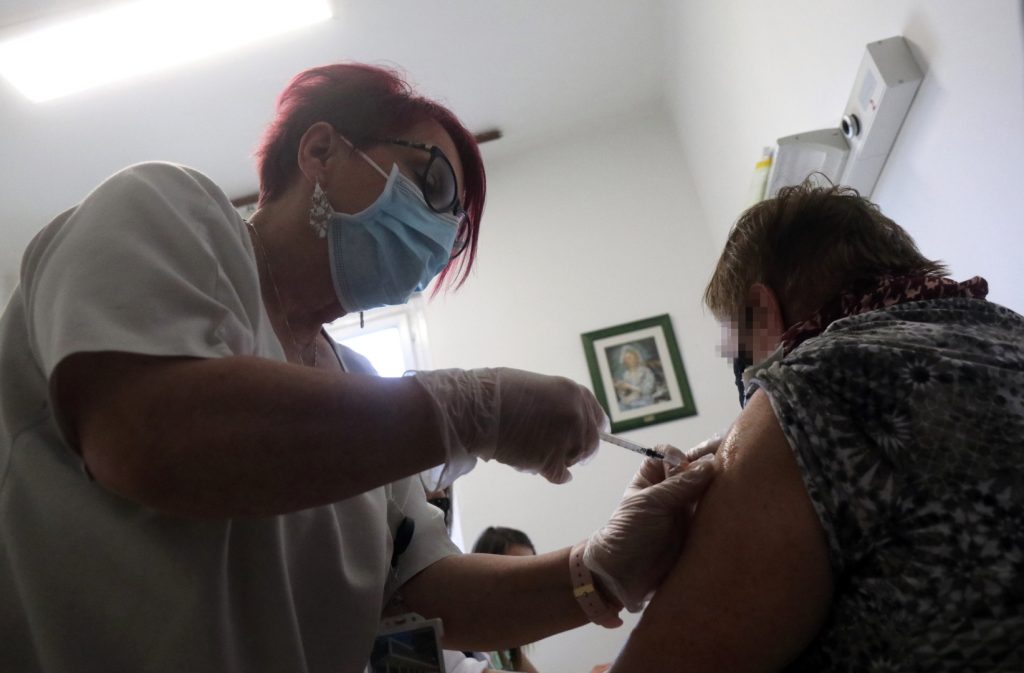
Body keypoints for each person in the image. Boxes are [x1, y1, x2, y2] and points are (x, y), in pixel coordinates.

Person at [0, 62, 717, 673]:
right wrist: (470, 410)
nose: (440, 233)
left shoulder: (359, 385)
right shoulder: (169, 211)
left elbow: (421, 592)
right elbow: (145, 432)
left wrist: (604, 569)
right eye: (433, 185)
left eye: (455, 229)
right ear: (320, 150)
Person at [608, 181, 1024, 672]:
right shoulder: (1009, 332)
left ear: (762, 311)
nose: (744, 374)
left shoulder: (806, 387)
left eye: (739, 350)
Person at [471, 527, 541, 673]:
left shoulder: (507, 644)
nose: (528, 588)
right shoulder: (465, 644)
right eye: (516, 575)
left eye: (533, 574)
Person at [612, 345, 657, 409]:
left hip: (645, 401)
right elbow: (624, 394)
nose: (630, 361)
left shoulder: (645, 371)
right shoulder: (626, 374)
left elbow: (648, 390)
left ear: (637, 358)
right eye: (627, 359)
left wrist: (630, 387)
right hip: (630, 401)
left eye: (631, 358)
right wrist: (621, 388)